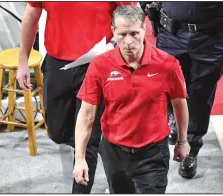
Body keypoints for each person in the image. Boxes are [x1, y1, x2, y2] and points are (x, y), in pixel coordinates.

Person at [16, 2, 136, 193]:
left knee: (88, 139)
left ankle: (86, 160)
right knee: (57, 132)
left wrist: (115, 43)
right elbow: (32, 14)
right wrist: (23, 60)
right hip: (58, 63)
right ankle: (92, 142)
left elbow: (133, 15)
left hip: (97, 64)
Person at [72, 5, 190, 194]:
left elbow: (179, 103)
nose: (128, 41)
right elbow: (86, 115)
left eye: (134, 33)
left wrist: (182, 141)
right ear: (113, 32)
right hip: (114, 153)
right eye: (122, 34)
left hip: (153, 154)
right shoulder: (100, 65)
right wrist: (80, 159)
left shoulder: (167, 64)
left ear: (145, 29)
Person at [150, 2, 223, 179]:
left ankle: (191, 148)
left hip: (212, 35)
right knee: (166, 85)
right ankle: (174, 119)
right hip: (170, 30)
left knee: (201, 96)